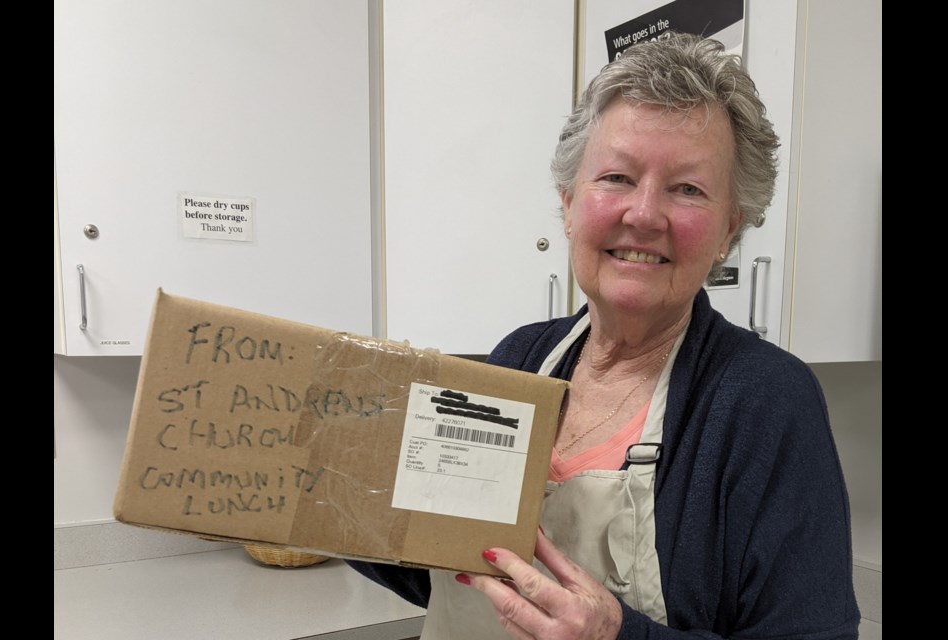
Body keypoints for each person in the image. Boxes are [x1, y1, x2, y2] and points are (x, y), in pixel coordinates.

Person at [349, 33, 861, 639]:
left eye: (687, 188)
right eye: (616, 177)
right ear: (568, 204)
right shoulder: (521, 358)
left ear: (728, 230)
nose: (643, 214)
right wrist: (321, 505)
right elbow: (453, 568)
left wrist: (614, 635)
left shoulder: (767, 401)